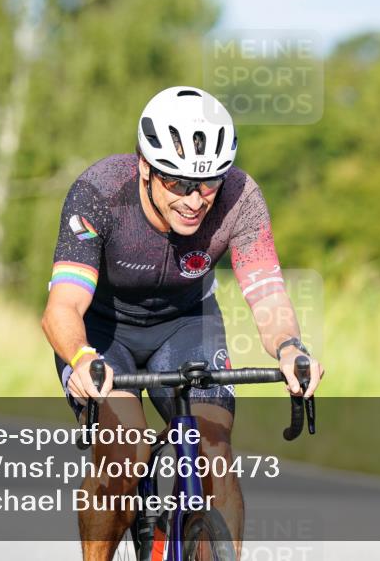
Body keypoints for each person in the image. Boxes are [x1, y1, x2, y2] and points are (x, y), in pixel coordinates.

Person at [41, 86, 324, 560]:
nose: (196, 199)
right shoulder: (100, 193)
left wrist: (291, 348)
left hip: (187, 325)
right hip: (104, 333)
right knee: (124, 442)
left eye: (208, 182)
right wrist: (83, 357)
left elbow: (267, 291)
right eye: (178, 183)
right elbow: (61, 310)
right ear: (145, 169)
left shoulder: (241, 198)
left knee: (215, 453)